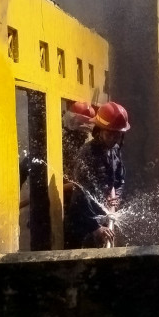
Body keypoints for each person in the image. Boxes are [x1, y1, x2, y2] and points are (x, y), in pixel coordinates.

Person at [64, 101, 129, 248]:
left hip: (104, 218)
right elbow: (81, 195)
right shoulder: (87, 154)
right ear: (99, 131)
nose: (114, 139)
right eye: (110, 134)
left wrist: (116, 197)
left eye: (117, 135)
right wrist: (95, 228)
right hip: (83, 223)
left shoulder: (115, 150)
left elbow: (119, 179)